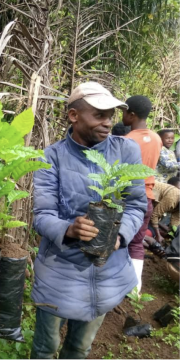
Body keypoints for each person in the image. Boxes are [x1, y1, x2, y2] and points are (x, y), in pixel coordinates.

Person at [32, 82, 146, 359]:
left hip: (109, 272)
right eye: (99, 115)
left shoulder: (125, 152)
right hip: (59, 273)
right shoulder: (52, 157)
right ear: (74, 116)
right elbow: (42, 216)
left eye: (111, 116)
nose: (108, 123)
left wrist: (120, 237)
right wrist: (69, 229)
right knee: (46, 348)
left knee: (80, 348)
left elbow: (136, 204)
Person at [121, 95, 162, 293]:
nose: (122, 116)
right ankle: (135, 290)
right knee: (137, 243)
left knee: (119, 241)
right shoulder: (156, 139)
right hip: (147, 197)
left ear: (132, 114)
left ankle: (116, 285)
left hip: (127, 197)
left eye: (123, 112)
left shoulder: (126, 140)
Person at [150, 178, 180, 243]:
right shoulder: (173, 197)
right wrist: (158, 236)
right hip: (147, 189)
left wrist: (173, 235)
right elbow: (154, 215)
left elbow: (175, 221)